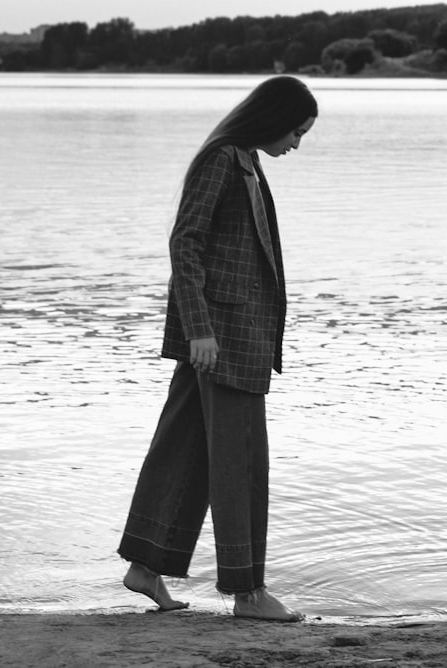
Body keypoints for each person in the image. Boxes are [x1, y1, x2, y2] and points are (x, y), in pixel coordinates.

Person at [117, 76, 317, 621]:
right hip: (221, 342)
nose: (297, 144)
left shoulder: (246, 160)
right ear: (272, 117)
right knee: (242, 465)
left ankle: (145, 563)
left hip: (234, 339)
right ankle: (248, 593)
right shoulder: (222, 160)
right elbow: (186, 241)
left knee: (182, 450)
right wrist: (199, 328)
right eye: (296, 131)